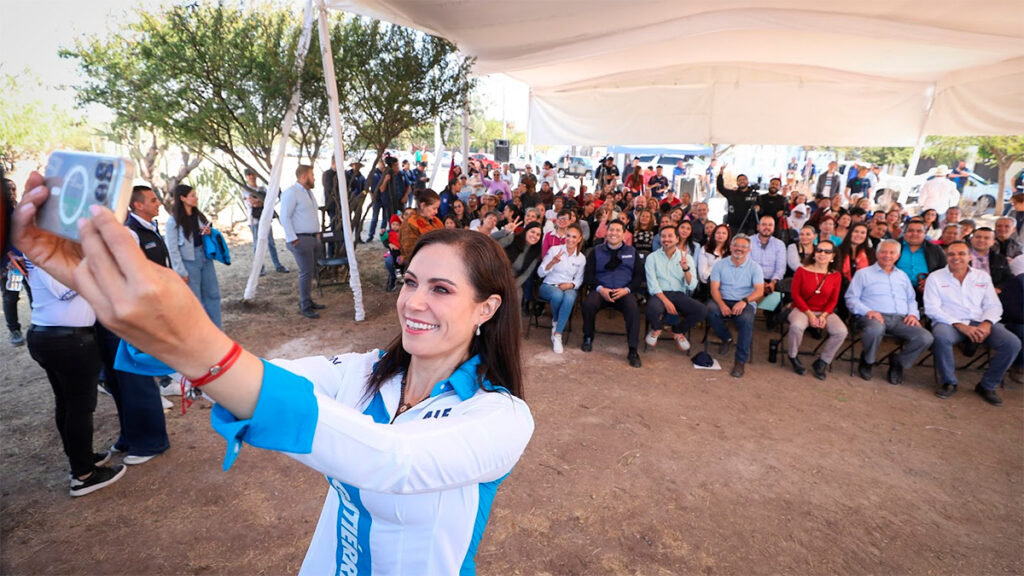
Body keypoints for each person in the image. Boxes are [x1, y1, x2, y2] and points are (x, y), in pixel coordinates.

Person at [13, 176, 535, 573]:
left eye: (441, 290)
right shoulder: (365, 373)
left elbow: (392, 462)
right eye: (411, 281)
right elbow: (252, 378)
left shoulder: (501, 417)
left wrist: (197, 342)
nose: (414, 302)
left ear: (486, 309)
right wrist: (123, 304)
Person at [23, 257, 127, 497]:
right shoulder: (46, 255)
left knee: (68, 403)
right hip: (66, 341)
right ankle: (83, 475)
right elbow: (64, 291)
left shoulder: (50, 253)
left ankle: (80, 459)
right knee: (79, 407)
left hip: (57, 337)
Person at [99, 184, 172, 465]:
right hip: (113, 315)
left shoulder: (133, 231)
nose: (158, 204)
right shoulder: (124, 232)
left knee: (136, 377)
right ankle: (130, 435)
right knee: (119, 379)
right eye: (152, 200)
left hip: (132, 313)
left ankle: (151, 441)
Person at [925, 241, 1021, 405]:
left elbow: (993, 305)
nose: (956, 257)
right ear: (946, 257)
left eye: (961, 254)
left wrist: (987, 323)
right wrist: (960, 325)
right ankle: (949, 382)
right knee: (941, 337)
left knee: (1012, 343)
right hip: (949, 322)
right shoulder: (935, 277)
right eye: (951, 254)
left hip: (980, 321)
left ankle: (987, 385)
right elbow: (932, 309)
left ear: (970, 256)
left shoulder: (982, 276)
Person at [845, 240, 934, 385]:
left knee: (925, 337)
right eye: (883, 252)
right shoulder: (863, 274)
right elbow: (851, 298)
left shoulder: (902, 276)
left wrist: (912, 314)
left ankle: (898, 362)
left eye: (892, 252)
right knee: (875, 329)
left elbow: (911, 299)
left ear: (898, 256)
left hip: (901, 319)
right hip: (873, 316)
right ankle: (867, 361)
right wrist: (868, 311)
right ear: (877, 253)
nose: (887, 255)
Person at [580, 219, 643, 367]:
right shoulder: (596, 251)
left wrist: (627, 290)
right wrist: (600, 288)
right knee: (588, 304)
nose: (613, 233)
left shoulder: (632, 252)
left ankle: (633, 350)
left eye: (617, 230)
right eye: (611, 230)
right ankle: (588, 337)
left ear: (624, 234)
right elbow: (588, 275)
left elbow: (639, 276)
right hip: (602, 289)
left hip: (623, 291)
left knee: (633, 309)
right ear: (606, 232)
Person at [785, 240, 847, 379]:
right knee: (796, 326)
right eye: (819, 250)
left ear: (833, 257)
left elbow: (833, 300)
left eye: (827, 252)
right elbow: (796, 295)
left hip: (824, 311)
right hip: (802, 309)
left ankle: (823, 362)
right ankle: (793, 356)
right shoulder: (802, 271)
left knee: (841, 331)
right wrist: (810, 315)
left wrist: (823, 316)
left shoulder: (836, 276)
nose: (822, 254)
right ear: (814, 254)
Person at [707, 235, 765, 378]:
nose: (739, 249)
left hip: (745, 301)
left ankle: (740, 361)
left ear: (749, 250)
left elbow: (759, 291)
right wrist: (721, 304)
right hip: (723, 299)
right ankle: (726, 337)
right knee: (708, 309)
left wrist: (744, 301)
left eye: (743, 246)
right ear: (730, 247)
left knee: (746, 320)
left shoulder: (755, 267)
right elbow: (714, 289)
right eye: (736, 245)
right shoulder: (720, 264)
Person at [166, 184, 222, 327]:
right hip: (188, 263)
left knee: (213, 295)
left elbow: (206, 233)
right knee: (195, 300)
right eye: (192, 195)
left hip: (205, 257)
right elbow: (172, 248)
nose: (196, 198)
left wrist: (208, 231)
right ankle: (202, 333)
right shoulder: (173, 221)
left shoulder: (198, 215)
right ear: (183, 198)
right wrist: (180, 270)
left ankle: (217, 331)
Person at [644, 225, 705, 353]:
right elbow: (652, 284)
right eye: (663, 236)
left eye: (670, 236)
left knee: (701, 310)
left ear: (677, 239)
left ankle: (677, 331)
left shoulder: (686, 258)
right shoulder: (652, 257)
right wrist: (666, 301)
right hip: (659, 293)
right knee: (652, 309)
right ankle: (657, 328)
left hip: (678, 294)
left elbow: (692, 285)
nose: (666, 239)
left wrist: (686, 269)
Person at [279, 165, 324, 319]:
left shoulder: (308, 193)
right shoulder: (291, 193)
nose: (314, 178)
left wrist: (317, 234)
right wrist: (293, 238)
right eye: (312, 175)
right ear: (304, 176)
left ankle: (308, 300)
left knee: (310, 271)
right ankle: (304, 304)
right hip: (300, 238)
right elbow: (284, 217)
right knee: (305, 272)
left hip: (312, 237)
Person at [537, 223, 586, 354]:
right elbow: (540, 273)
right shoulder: (554, 250)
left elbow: (579, 280)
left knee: (570, 296)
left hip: (568, 287)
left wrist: (571, 285)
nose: (570, 239)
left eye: (574, 237)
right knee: (558, 295)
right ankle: (556, 321)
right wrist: (552, 262)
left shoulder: (581, 258)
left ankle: (557, 334)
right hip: (549, 286)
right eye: (568, 236)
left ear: (580, 239)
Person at [243, 169, 289, 274]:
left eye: (252, 174)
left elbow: (268, 201)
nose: (251, 176)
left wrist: (260, 201)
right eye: (249, 175)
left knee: (271, 243)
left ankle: (277, 265)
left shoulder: (262, 188)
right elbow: (254, 203)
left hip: (265, 218)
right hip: (254, 220)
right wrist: (261, 200)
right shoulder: (246, 189)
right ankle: (259, 268)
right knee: (257, 244)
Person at [748, 215, 787, 326]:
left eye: (770, 225)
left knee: (781, 289)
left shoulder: (780, 244)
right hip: (752, 277)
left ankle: (770, 316)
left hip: (772, 279)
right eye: (764, 224)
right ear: (758, 227)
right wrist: (761, 283)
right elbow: (747, 265)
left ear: (774, 228)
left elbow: (780, 268)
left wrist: (773, 282)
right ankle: (744, 315)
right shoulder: (748, 241)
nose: (767, 227)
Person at [896, 219, 947, 301]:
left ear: (925, 233)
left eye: (919, 231)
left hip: (925, 292)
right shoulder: (893, 245)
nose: (914, 234)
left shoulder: (935, 249)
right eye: (910, 230)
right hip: (896, 291)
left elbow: (944, 270)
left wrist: (930, 279)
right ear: (904, 232)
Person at [399, 190, 444, 270]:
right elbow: (410, 251)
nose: (436, 212)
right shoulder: (410, 223)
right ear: (423, 205)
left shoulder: (436, 221)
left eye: (437, 208)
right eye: (434, 208)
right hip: (421, 266)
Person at [504, 221, 543, 301]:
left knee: (517, 294)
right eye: (532, 232)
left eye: (538, 234)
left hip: (512, 280)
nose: (534, 236)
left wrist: (512, 287)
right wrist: (504, 232)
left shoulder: (536, 252)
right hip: (497, 274)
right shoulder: (513, 238)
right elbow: (493, 242)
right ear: (526, 231)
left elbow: (525, 275)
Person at [716, 168, 759, 234]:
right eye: (740, 180)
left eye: (744, 179)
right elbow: (720, 187)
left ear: (747, 181)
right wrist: (721, 173)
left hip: (750, 227)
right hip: (734, 227)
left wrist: (758, 208)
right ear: (737, 182)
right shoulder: (732, 193)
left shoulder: (754, 195)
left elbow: (761, 209)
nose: (742, 181)